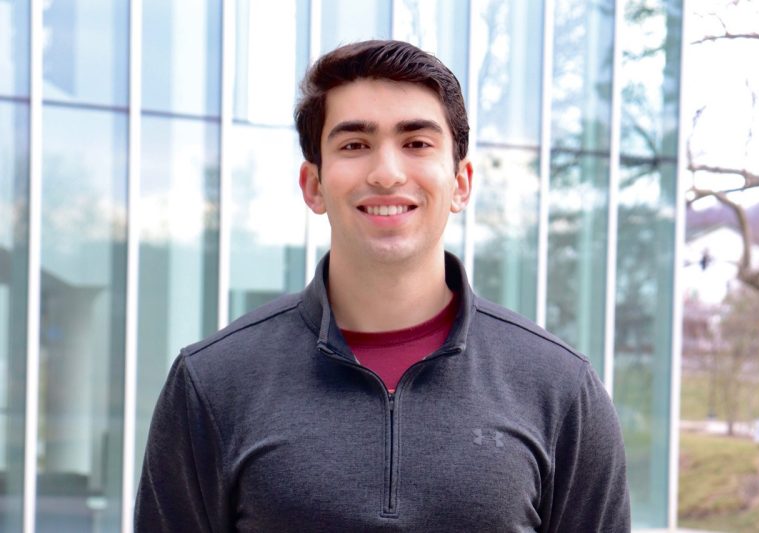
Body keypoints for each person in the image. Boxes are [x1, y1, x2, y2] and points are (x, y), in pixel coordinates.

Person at [135, 40, 631, 532]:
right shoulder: (213, 382)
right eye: (354, 145)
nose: (387, 173)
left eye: (416, 143)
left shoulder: (561, 389)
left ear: (461, 182)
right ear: (313, 185)